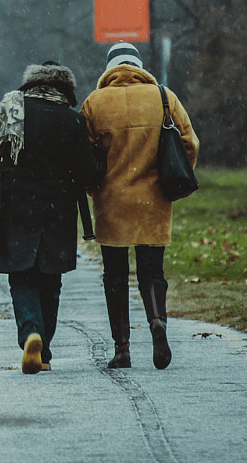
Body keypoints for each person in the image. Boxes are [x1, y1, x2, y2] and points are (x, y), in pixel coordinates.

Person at [0, 61, 103, 374]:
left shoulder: (14, 108)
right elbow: (90, 173)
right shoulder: (72, 121)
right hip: (58, 207)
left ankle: (30, 333)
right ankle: (43, 350)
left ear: (31, 84)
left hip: (17, 203)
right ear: (65, 90)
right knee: (50, 279)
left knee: (21, 276)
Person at [80, 42, 198, 370]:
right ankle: (157, 321)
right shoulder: (163, 97)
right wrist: (171, 179)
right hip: (153, 199)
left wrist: (93, 189)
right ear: (139, 66)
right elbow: (190, 143)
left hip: (111, 201)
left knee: (115, 275)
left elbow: (83, 157)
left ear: (110, 69)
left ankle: (122, 349)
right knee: (152, 269)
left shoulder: (94, 103)